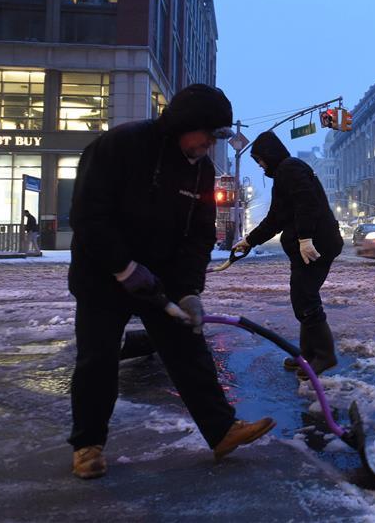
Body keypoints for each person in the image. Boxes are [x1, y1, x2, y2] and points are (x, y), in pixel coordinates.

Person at [67, 84, 274, 480]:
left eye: (217, 137)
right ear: (184, 124)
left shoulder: (202, 171)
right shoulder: (120, 145)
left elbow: (198, 236)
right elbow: (88, 215)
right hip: (101, 273)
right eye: (208, 134)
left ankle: (222, 431)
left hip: (159, 278)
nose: (210, 144)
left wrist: (190, 291)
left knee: (187, 347)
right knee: (98, 359)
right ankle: (87, 446)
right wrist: (124, 268)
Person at [234, 131, 343, 379]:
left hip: (316, 246)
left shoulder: (290, 168)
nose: (260, 165)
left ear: (269, 154)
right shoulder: (285, 173)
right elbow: (276, 218)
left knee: (305, 298)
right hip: (310, 246)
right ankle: (308, 355)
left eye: (260, 159)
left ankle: (324, 355)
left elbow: (307, 202)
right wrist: (249, 241)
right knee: (302, 297)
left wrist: (305, 238)